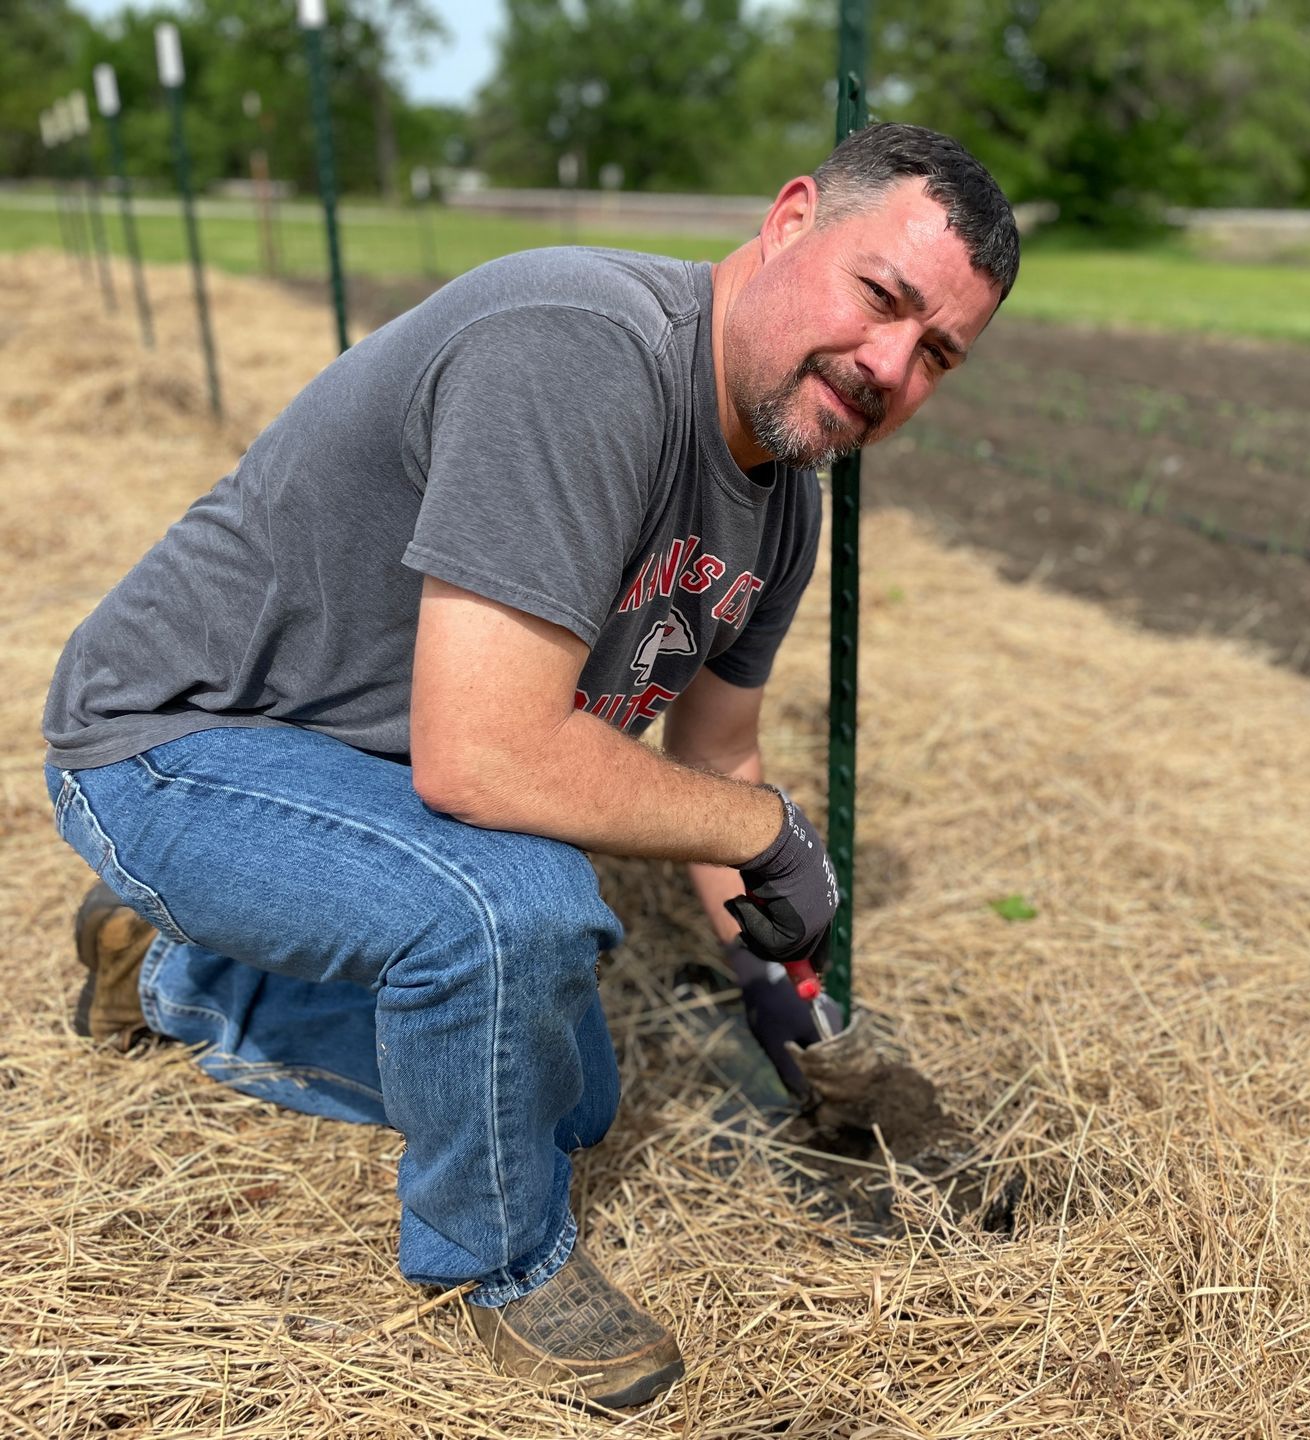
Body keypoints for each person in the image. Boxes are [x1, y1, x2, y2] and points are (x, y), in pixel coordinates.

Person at [41, 122, 1019, 1410]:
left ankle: (178, 971)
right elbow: (490, 757)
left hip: (364, 781)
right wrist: (763, 832)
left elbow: (716, 757)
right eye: (879, 296)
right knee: (516, 914)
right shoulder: (586, 351)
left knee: (566, 1095)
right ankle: (499, 1266)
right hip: (181, 742)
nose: (890, 364)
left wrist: (800, 1021)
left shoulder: (784, 492)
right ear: (790, 221)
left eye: (936, 351)